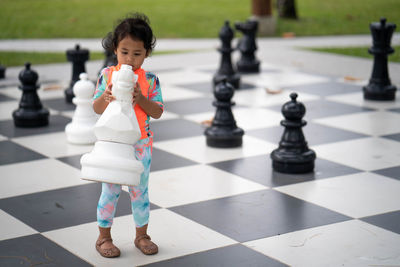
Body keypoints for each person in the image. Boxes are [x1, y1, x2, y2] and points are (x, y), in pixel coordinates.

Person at [92, 13, 163, 258]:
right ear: (115, 49)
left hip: (141, 143)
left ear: (146, 54)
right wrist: (106, 96)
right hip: (113, 143)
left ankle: (142, 235)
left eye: (137, 54)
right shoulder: (107, 75)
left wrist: (141, 98)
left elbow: (158, 111)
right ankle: (104, 238)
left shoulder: (150, 80)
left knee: (140, 190)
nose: (130, 59)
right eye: (124, 52)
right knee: (110, 189)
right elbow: (96, 108)